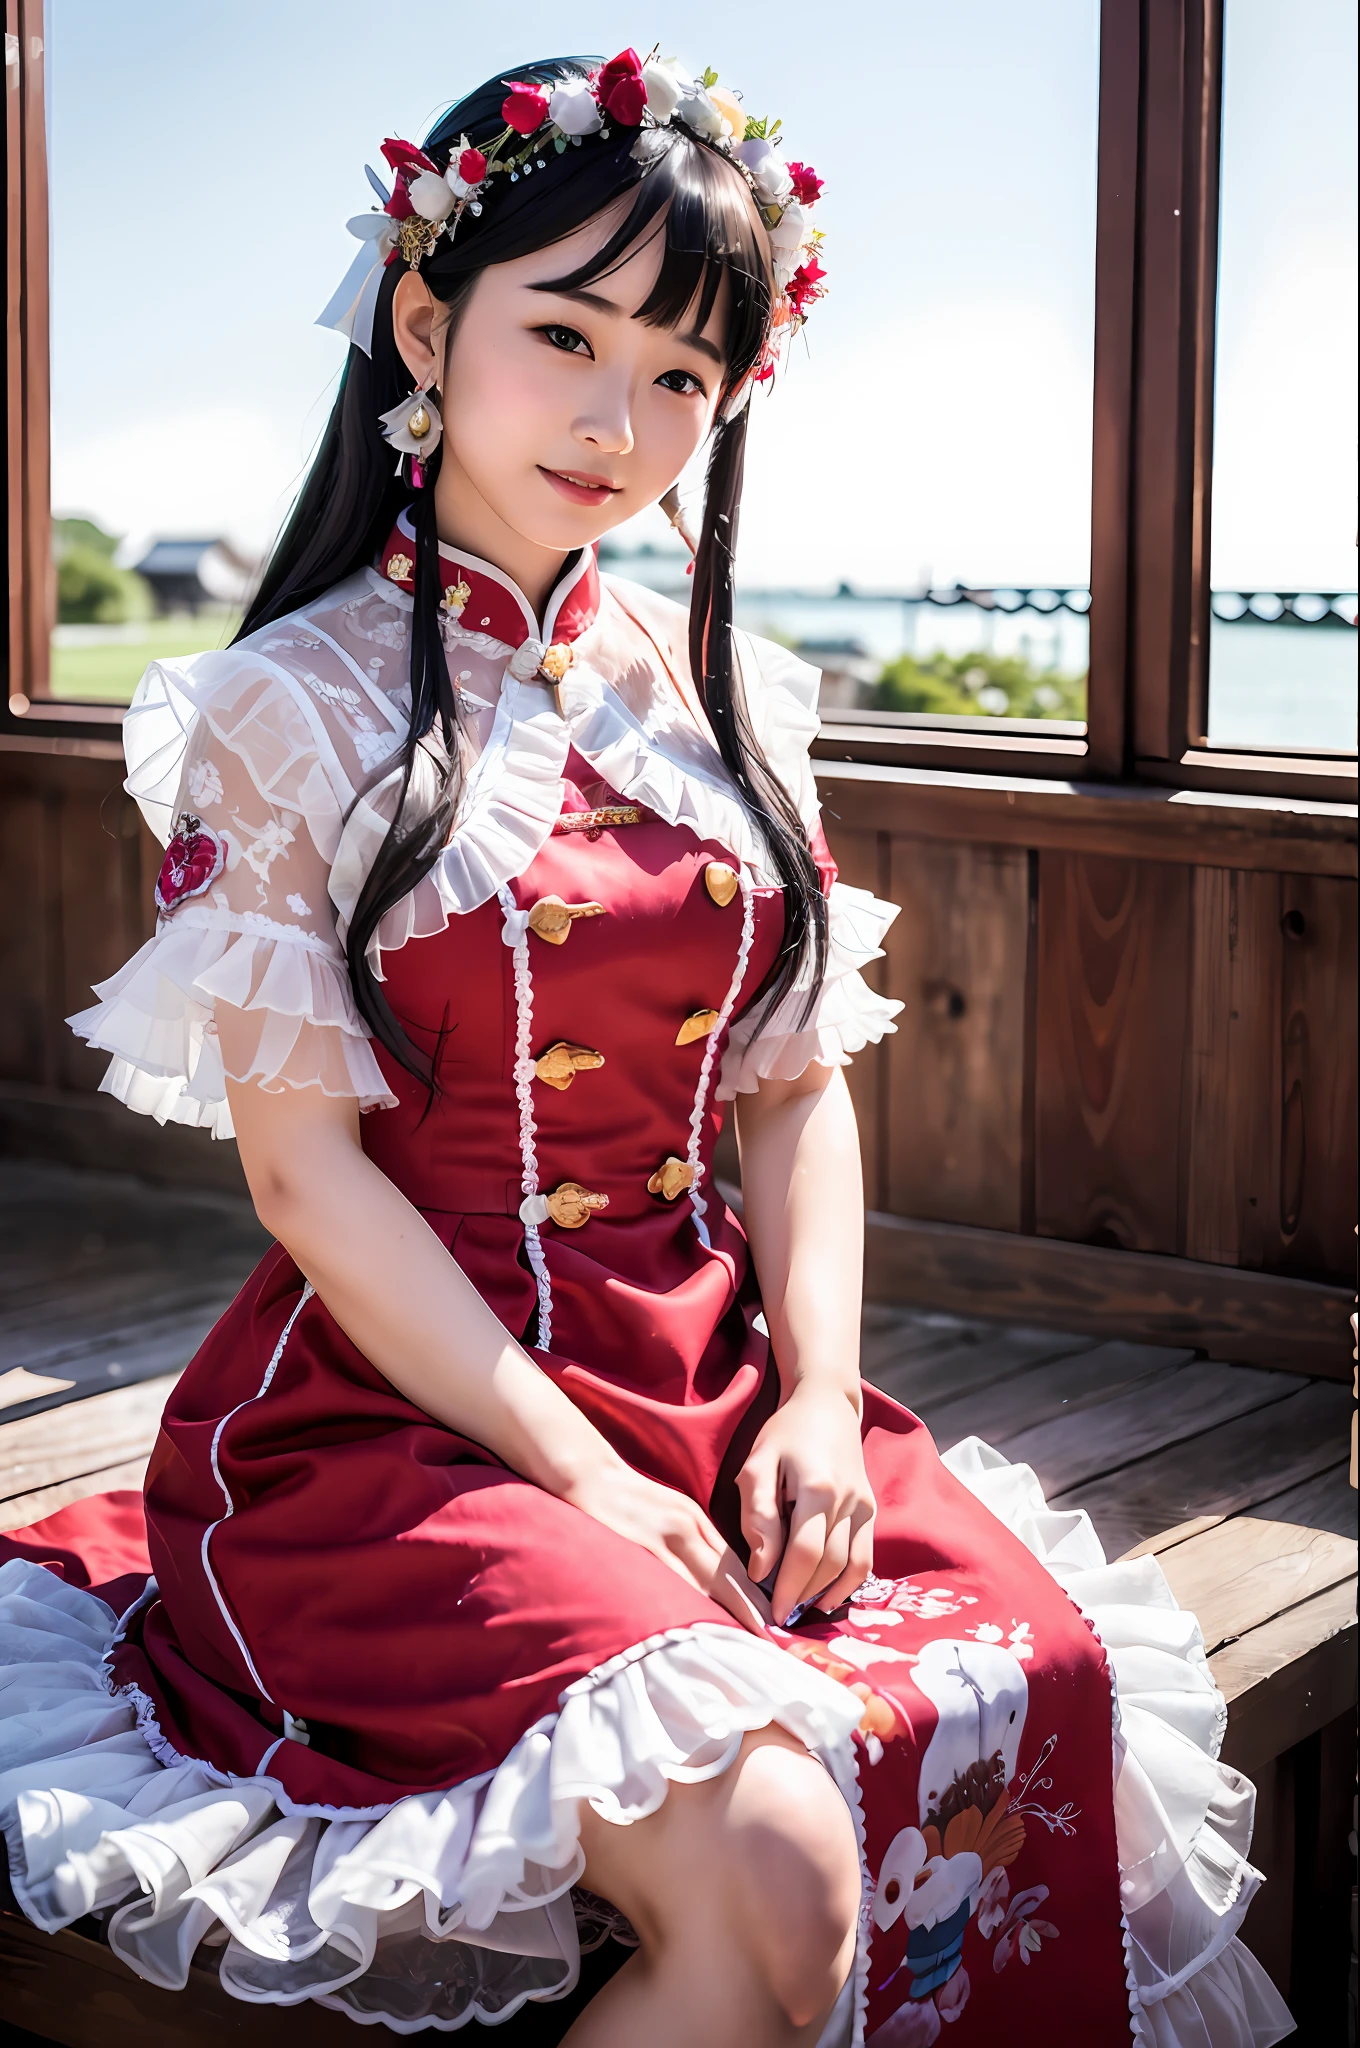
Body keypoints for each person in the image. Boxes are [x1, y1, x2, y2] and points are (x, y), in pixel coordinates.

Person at [0, 50, 1292, 2048]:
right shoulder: (288, 704)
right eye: (566, 335)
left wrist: (816, 1400)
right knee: (777, 1879)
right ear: (426, 322)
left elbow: (793, 1085)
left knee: (1024, 1701)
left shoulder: (735, 695)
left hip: (715, 1384)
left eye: (684, 373)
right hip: (397, 1424)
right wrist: (579, 1474)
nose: (622, 420)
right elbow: (300, 1172)